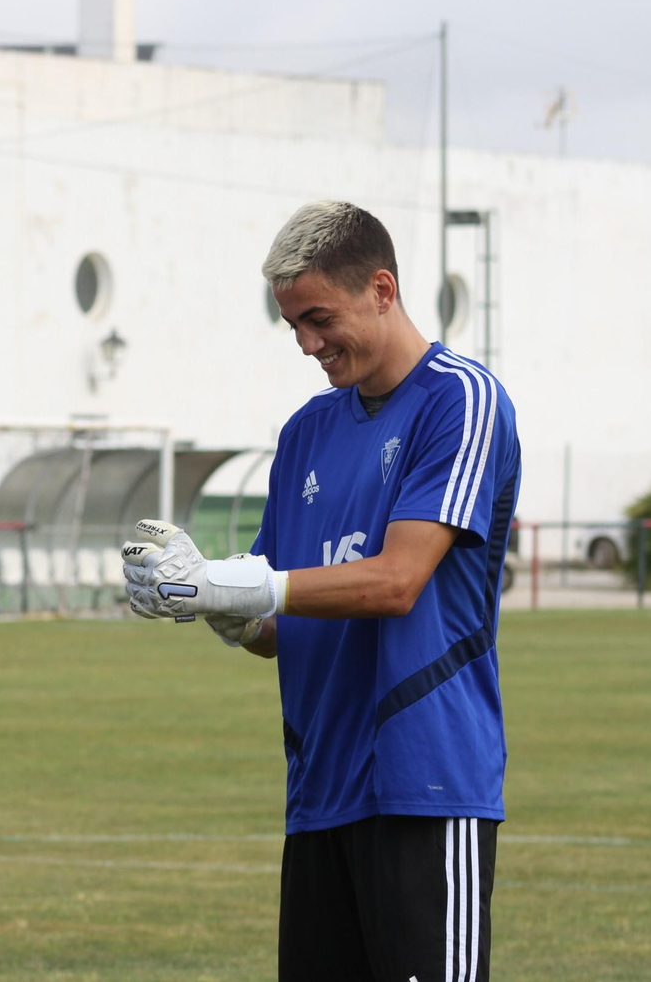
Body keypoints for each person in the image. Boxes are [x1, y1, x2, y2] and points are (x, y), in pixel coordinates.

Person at [123, 200, 520, 982]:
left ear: (381, 287)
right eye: (293, 326)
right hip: (319, 791)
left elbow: (396, 581)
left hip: (427, 788)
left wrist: (246, 583)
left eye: (318, 318)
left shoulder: (461, 400)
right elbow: (279, 618)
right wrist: (211, 601)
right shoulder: (305, 431)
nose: (307, 344)